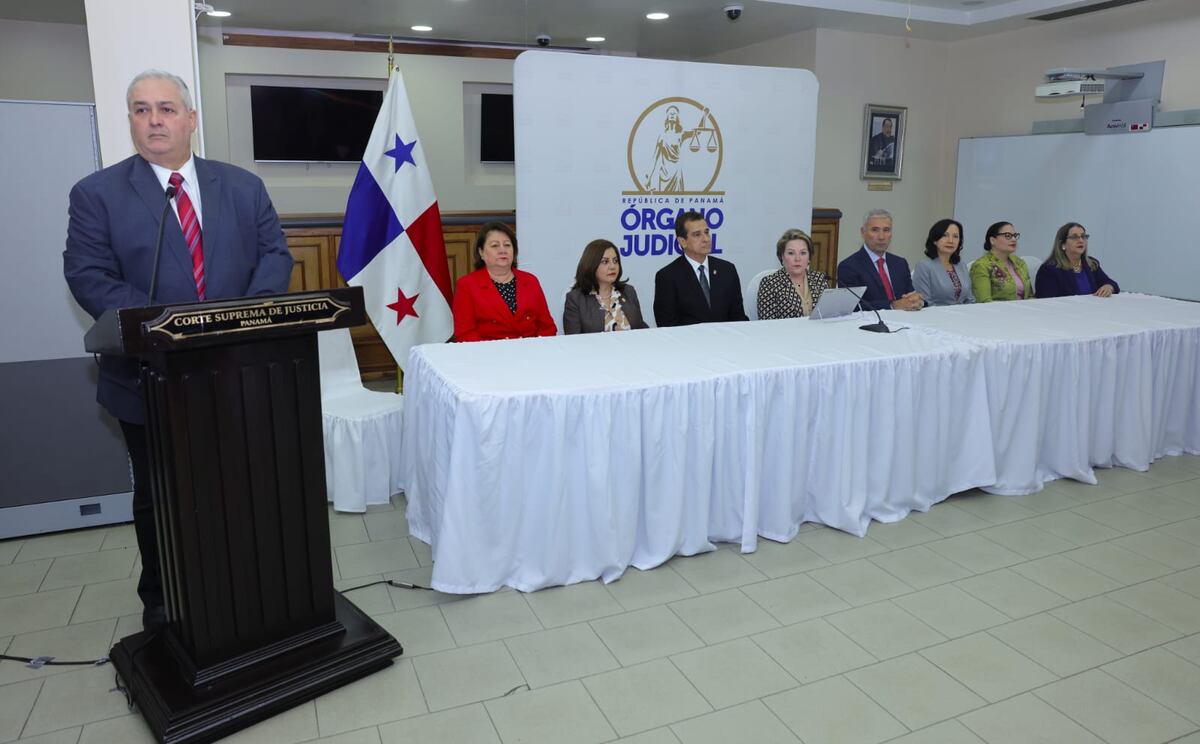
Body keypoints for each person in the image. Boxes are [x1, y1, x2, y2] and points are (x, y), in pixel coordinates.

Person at [62, 70, 294, 632]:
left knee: (241, 485)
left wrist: (234, 323)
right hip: (150, 376)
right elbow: (88, 275)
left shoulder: (242, 187)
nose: (154, 120)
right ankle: (164, 600)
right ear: (130, 121)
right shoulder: (97, 194)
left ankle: (246, 585)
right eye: (141, 109)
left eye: (166, 109)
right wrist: (170, 327)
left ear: (190, 119)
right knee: (161, 494)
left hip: (237, 370)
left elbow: (274, 256)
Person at [452, 221, 557, 341]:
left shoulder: (530, 281)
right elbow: (465, 333)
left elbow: (547, 327)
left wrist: (535, 348)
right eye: (495, 246)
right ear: (481, 252)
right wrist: (497, 349)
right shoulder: (467, 285)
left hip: (530, 350)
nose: (503, 250)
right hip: (488, 351)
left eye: (507, 245)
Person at [653, 210, 748, 326]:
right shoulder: (667, 276)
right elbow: (667, 324)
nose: (706, 239)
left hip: (726, 336)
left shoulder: (727, 270)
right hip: (687, 337)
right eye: (697, 235)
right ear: (682, 242)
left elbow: (738, 317)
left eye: (706, 232)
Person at [836, 209, 924, 311]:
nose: (881, 237)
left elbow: (909, 295)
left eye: (886, 230)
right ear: (863, 232)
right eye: (875, 230)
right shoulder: (849, 266)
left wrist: (916, 300)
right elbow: (853, 307)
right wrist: (893, 305)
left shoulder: (900, 263)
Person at [563, 239, 648, 333]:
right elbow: (573, 339)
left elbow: (640, 327)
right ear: (591, 265)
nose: (612, 266)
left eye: (615, 261)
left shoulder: (628, 291)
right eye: (605, 262)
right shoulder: (575, 299)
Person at [757, 228, 829, 319]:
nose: (797, 259)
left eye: (803, 253)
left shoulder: (819, 279)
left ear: (809, 257)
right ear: (782, 257)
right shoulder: (770, 283)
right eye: (791, 253)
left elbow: (828, 316)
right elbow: (767, 322)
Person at [1035, 223, 1119, 298]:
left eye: (1083, 236)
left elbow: (1111, 283)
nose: (1081, 240)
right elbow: (1046, 302)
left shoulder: (1091, 264)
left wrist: (1109, 287)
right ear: (1062, 244)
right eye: (1074, 237)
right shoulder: (1049, 269)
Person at [913, 218, 975, 306]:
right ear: (935, 240)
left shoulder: (961, 265)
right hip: (936, 313)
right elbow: (925, 302)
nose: (950, 241)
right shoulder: (924, 266)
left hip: (962, 313)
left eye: (955, 236)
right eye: (945, 235)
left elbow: (969, 298)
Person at [970, 221, 1034, 302]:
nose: (1014, 239)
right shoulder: (981, 266)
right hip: (998, 309)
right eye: (1008, 236)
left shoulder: (1019, 262)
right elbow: (984, 301)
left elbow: (1030, 296)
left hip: (1024, 308)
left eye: (1015, 235)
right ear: (992, 240)